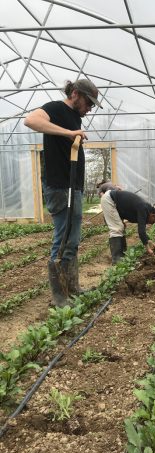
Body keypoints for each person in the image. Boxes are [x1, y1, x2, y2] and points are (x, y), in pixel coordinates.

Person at [24, 78, 103, 307]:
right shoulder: (56, 108)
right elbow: (31, 120)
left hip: (73, 187)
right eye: (88, 103)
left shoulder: (75, 117)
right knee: (63, 235)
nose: (89, 109)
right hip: (59, 186)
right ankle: (59, 297)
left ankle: (72, 287)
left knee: (73, 237)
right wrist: (68, 132)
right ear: (76, 94)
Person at [101, 189, 155, 264]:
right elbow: (141, 231)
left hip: (114, 202)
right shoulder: (144, 209)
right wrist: (148, 248)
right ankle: (117, 258)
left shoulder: (147, 209)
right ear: (153, 216)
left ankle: (122, 255)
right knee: (117, 229)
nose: (151, 224)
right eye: (153, 222)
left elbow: (125, 208)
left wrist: (149, 241)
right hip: (110, 200)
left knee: (120, 227)